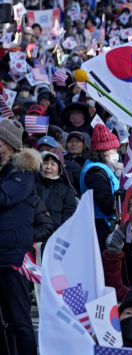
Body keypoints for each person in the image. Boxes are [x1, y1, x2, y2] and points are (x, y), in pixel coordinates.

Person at [0, 119, 41, 355]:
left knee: (20, 321)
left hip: (13, 257)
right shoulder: (4, 171)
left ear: (9, 143)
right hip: (2, 255)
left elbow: (4, 198)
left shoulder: (23, 172)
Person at [80, 124, 122, 251]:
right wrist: (125, 196)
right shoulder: (95, 172)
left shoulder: (103, 169)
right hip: (102, 228)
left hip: (106, 226)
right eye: (114, 149)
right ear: (105, 151)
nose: (117, 153)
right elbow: (107, 204)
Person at [36, 148, 77, 230]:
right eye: (45, 163)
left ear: (60, 168)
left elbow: (68, 213)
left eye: (53, 164)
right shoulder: (34, 185)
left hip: (55, 232)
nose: (48, 167)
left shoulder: (66, 189)